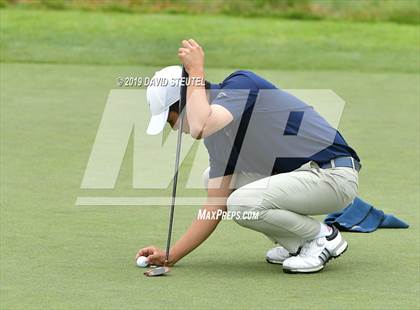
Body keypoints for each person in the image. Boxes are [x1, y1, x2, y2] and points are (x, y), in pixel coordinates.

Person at [136, 39, 360, 273]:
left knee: (243, 202)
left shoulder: (240, 85)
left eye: (171, 120)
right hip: (304, 178)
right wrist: (170, 255)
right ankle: (298, 242)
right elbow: (215, 205)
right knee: (213, 181)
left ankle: (322, 237)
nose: (174, 129)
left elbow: (200, 126)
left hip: (333, 175)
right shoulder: (218, 137)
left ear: (186, 101)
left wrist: (196, 72)